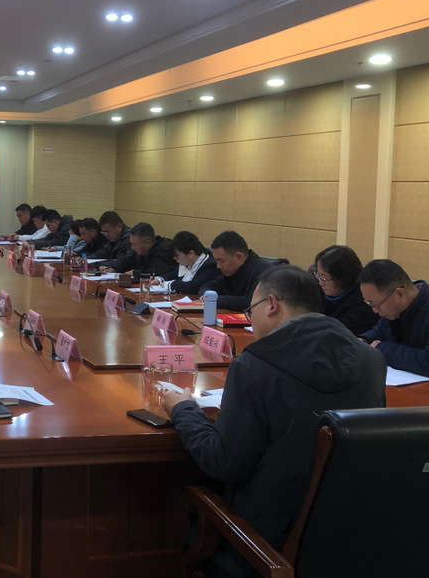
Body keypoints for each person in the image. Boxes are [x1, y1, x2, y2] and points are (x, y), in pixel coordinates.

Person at [163, 265, 386, 577]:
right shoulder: (372, 360)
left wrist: (184, 409)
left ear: (271, 305)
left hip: (262, 542)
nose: (250, 318)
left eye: (250, 310)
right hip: (349, 535)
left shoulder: (255, 365)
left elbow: (223, 462)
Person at [311, 245, 378, 336]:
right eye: (318, 275)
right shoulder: (320, 290)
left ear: (342, 277)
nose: (321, 283)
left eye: (325, 278)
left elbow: (332, 334)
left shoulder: (363, 307)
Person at [197, 231, 272, 311]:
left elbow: (251, 303)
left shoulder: (263, 271)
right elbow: (208, 286)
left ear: (239, 257)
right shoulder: (231, 271)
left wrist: (214, 299)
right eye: (217, 261)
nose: (218, 266)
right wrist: (206, 296)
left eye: (221, 261)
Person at [152, 231, 220, 295]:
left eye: (177, 255)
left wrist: (170, 285)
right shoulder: (188, 263)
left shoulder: (210, 266)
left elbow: (194, 287)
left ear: (191, 254)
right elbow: (174, 274)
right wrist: (160, 279)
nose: (174, 258)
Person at [102, 222, 176, 275]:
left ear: (148, 243)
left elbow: (156, 272)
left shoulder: (163, 251)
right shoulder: (142, 251)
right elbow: (128, 261)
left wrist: (135, 273)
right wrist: (114, 268)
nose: (132, 247)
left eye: (134, 244)